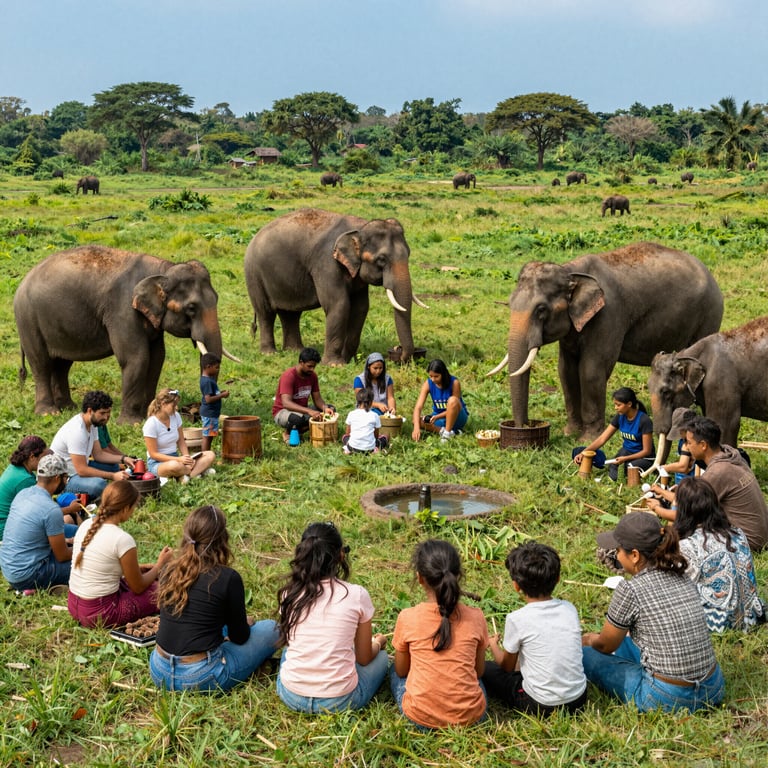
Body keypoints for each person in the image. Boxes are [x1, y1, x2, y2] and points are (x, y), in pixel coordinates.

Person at [582, 512, 725, 712]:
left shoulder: (630, 590)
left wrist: (588, 640)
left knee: (586, 655)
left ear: (634, 555)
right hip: (713, 688)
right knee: (626, 640)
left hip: (666, 696)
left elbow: (605, 645)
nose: (616, 555)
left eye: (618, 551)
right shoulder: (682, 575)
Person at [150, 505, 279, 692]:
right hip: (200, 675)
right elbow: (240, 637)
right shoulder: (227, 578)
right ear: (222, 539)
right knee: (272, 629)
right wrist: (242, 625)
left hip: (159, 669)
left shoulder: (169, 570)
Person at [276, 522, 388, 713]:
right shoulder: (356, 595)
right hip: (339, 701)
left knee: (289, 651)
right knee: (383, 658)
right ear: (341, 556)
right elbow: (363, 658)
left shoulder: (289, 593)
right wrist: (378, 643)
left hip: (291, 694)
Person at [390, 539, 488, 729]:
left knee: (392, 671)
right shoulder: (476, 617)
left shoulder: (408, 617)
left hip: (419, 717)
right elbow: (479, 671)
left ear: (419, 578)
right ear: (458, 575)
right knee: (475, 679)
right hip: (472, 717)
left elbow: (402, 671)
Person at [482, 541, 587, 715]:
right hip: (578, 699)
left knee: (487, 668)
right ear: (558, 578)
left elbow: (506, 666)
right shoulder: (569, 609)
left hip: (540, 704)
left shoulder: (517, 619)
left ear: (516, 586)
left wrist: (492, 644)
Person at [68, 480, 174, 628]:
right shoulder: (122, 539)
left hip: (74, 605)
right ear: (125, 509)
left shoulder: (86, 525)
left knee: (144, 580)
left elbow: (103, 565)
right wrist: (160, 565)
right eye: (134, 507)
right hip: (101, 614)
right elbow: (138, 587)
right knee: (167, 590)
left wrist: (141, 568)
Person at [671, 477, 764, 632]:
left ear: (683, 510)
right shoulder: (737, 533)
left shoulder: (688, 546)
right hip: (752, 615)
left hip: (720, 621)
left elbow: (678, 592)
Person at [673, 416, 768, 551]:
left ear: (703, 445)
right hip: (762, 533)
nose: (687, 447)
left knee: (689, 536)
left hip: (748, 541)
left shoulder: (718, 471)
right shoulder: (731, 454)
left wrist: (660, 510)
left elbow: (690, 515)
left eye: (689, 442)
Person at [0, 455, 78, 593]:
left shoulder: (23, 494)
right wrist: (83, 549)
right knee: (90, 562)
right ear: (56, 478)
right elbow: (63, 555)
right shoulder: (51, 510)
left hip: (9, 567)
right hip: (28, 575)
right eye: (65, 478)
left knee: (75, 531)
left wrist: (68, 540)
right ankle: (37, 585)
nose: (66, 482)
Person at [50, 391, 131, 501]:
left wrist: (123, 459)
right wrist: (112, 476)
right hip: (64, 478)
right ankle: (70, 492)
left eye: (108, 413)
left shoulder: (93, 424)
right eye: (102, 413)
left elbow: (99, 454)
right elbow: (82, 470)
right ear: (90, 411)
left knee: (113, 466)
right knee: (99, 485)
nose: (106, 417)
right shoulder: (77, 431)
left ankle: (90, 490)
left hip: (79, 467)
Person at [573, 387, 654, 481]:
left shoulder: (644, 421)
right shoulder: (620, 417)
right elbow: (602, 439)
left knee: (629, 468)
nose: (615, 408)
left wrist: (626, 458)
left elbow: (646, 451)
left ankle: (645, 471)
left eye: (618, 405)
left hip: (645, 457)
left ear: (629, 404)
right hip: (627, 452)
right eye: (615, 404)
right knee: (613, 466)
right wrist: (583, 453)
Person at [143, 388, 216, 483]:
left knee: (210, 454)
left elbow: (181, 441)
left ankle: (186, 475)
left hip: (177, 459)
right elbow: (153, 454)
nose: (176, 408)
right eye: (174, 405)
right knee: (174, 466)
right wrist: (179, 459)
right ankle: (197, 472)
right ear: (163, 404)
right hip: (158, 463)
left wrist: (187, 458)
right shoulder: (151, 424)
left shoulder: (176, 416)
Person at [272, 348, 335, 443]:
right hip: (283, 412)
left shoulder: (312, 376)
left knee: (330, 410)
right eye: (309, 366)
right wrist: (309, 411)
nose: (312, 369)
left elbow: (317, 399)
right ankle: (288, 433)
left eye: (314, 367)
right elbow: (286, 403)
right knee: (297, 419)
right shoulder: (289, 376)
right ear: (301, 362)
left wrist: (325, 408)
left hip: (302, 410)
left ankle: (298, 431)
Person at [0, 436, 49, 539]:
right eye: (43, 458)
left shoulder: (15, 467)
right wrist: (68, 509)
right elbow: (41, 512)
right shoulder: (25, 480)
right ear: (32, 456)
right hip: (5, 528)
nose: (45, 462)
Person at [411, 359, 468, 443]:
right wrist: (416, 428)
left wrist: (437, 417)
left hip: (457, 416)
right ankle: (445, 431)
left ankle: (446, 435)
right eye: (431, 376)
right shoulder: (428, 383)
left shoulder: (454, 382)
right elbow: (418, 407)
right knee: (416, 421)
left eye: (436, 376)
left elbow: (455, 404)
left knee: (452, 400)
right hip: (439, 417)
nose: (433, 379)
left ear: (443, 374)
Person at [199, 353, 230, 453]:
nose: (217, 370)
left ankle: (207, 454)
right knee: (207, 436)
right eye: (216, 367)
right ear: (208, 367)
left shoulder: (207, 380)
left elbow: (211, 394)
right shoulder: (207, 382)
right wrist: (222, 395)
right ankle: (205, 456)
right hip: (209, 413)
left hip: (211, 413)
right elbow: (208, 399)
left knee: (210, 435)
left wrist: (219, 393)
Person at [342, 388, 388, 455]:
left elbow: (348, 433)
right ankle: (376, 449)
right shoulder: (375, 415)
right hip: (369, 448)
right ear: (371, 402)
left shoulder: (351, 414)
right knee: (385, 436)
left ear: (357, 401)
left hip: (353, 447)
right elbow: (376, 436)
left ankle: (348, 450)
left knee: (344, 437)